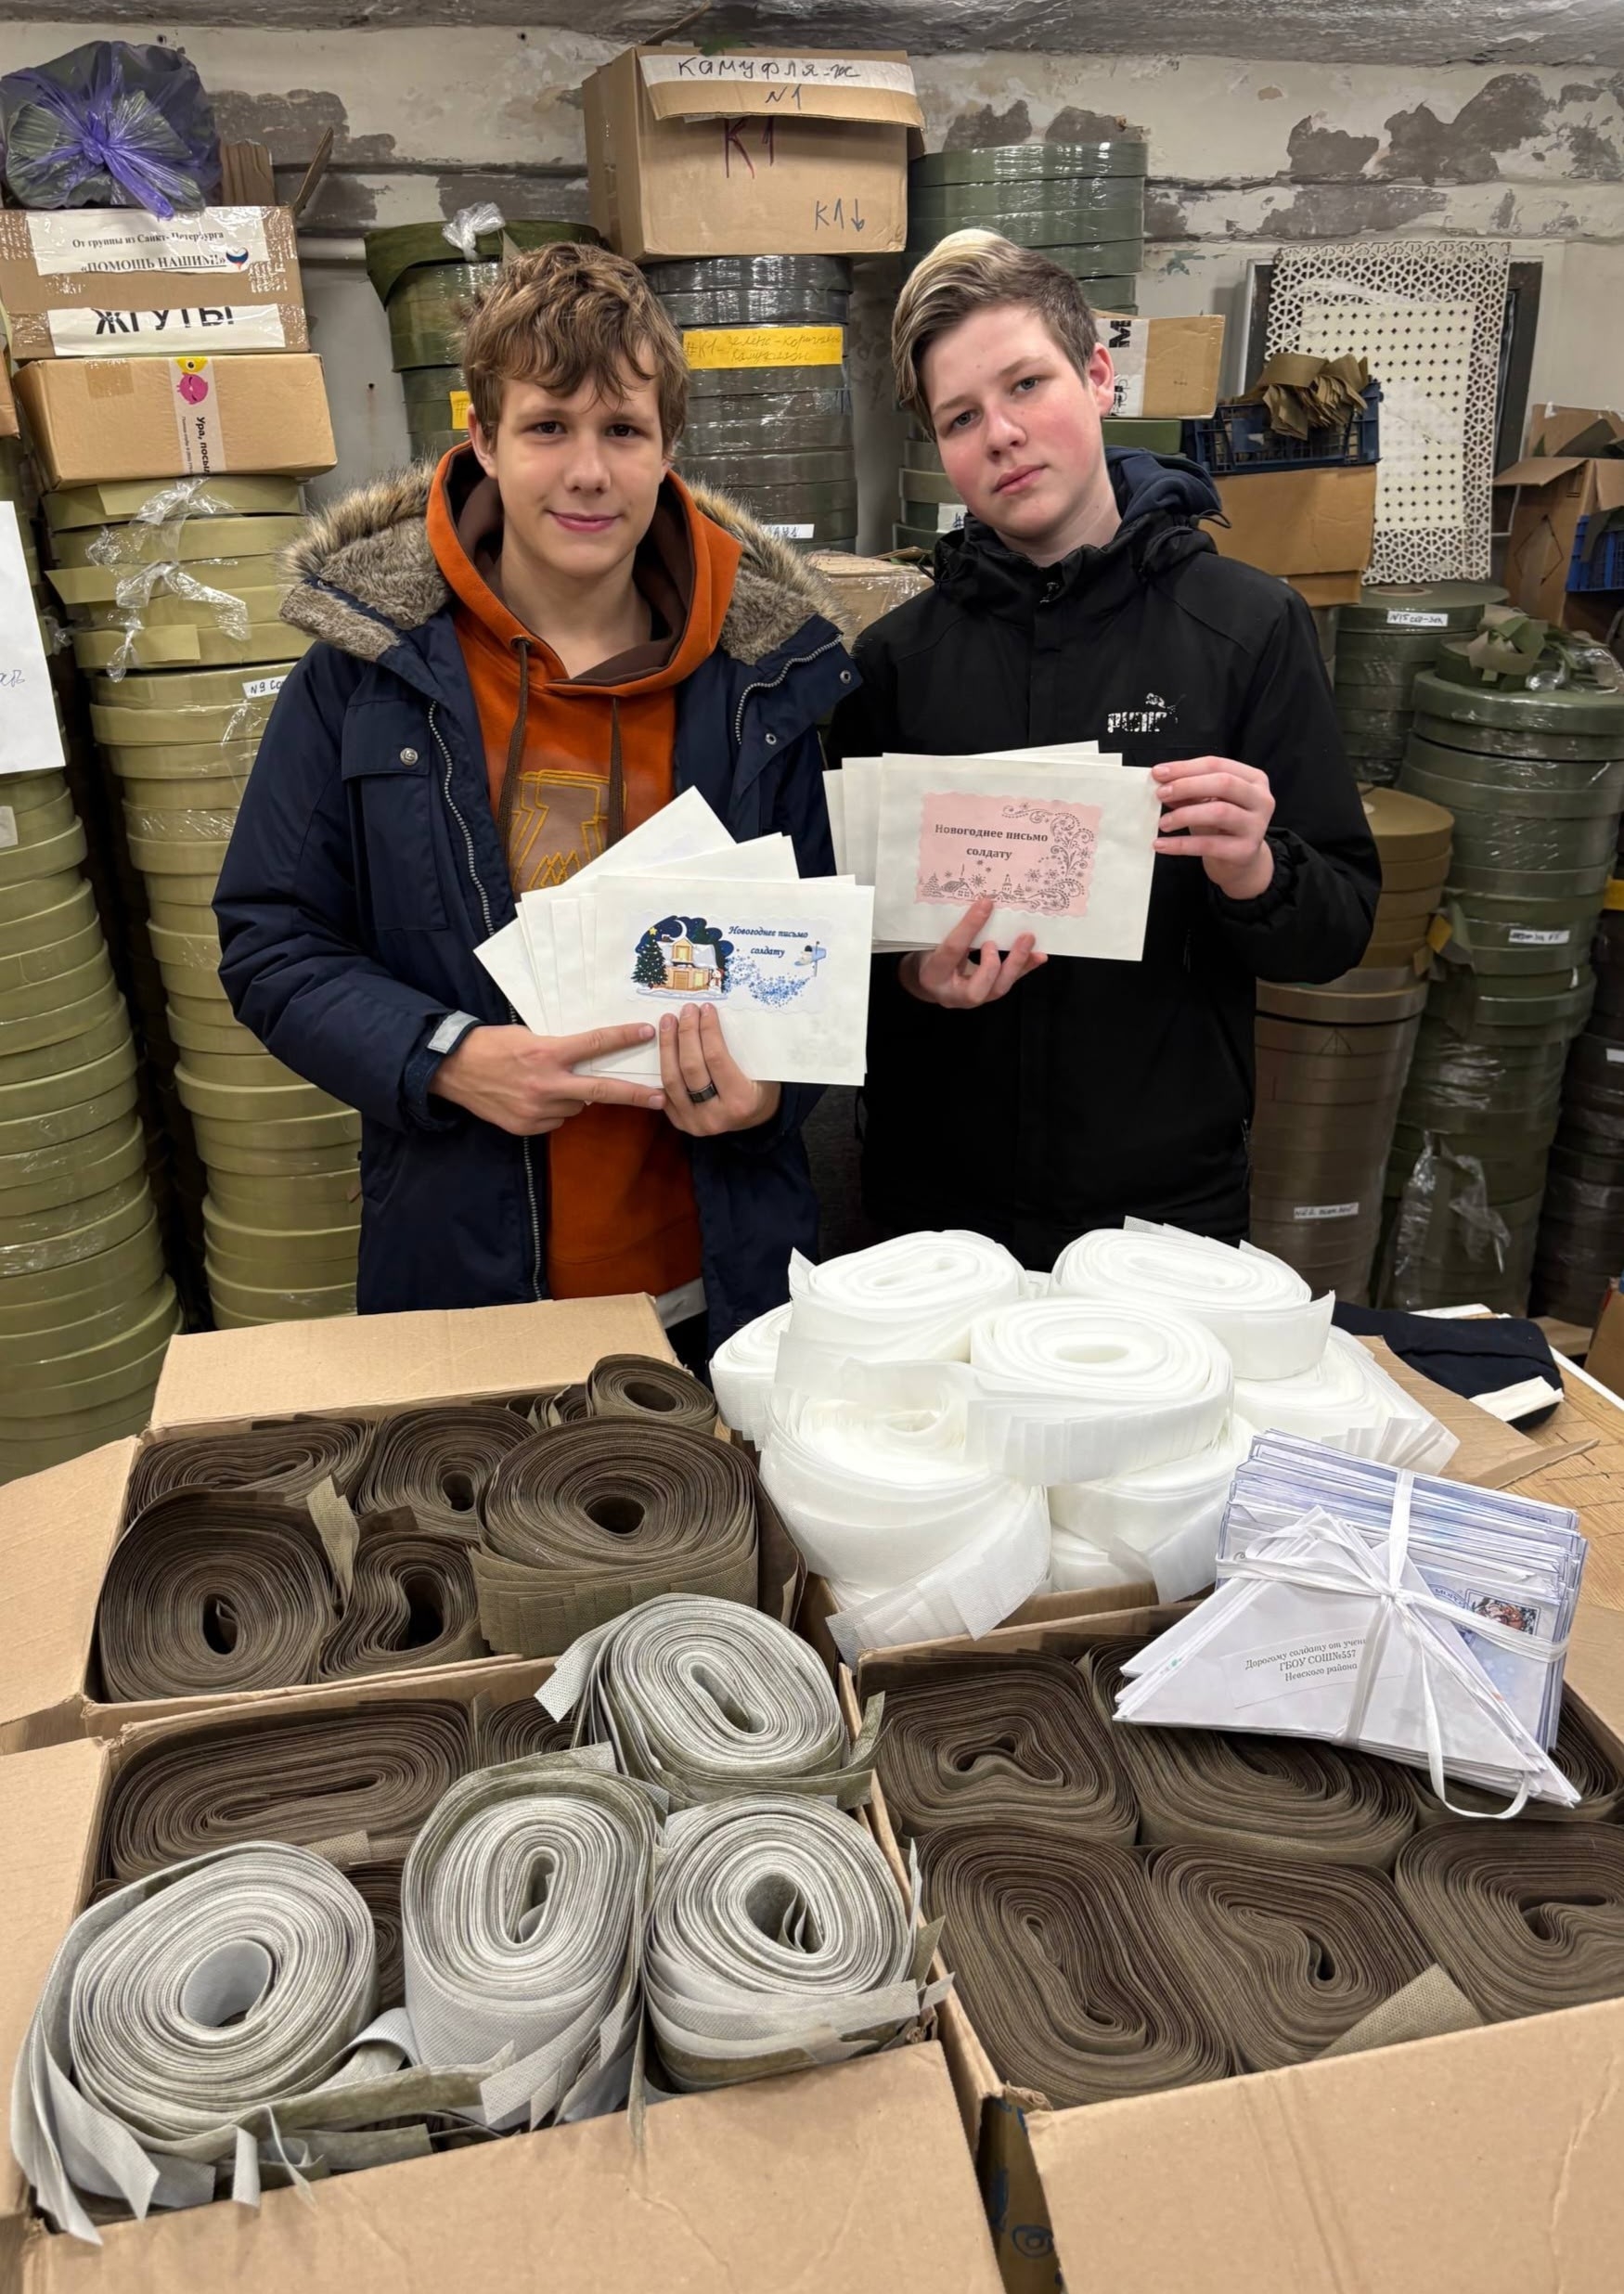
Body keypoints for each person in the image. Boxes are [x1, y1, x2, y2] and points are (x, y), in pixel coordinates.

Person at [214, 243, 853, 1345]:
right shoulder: (368, 675)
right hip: (466, 1283)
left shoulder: (765, 682)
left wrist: (770, 1098)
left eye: (624, 431)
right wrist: (443, 1056)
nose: (588, 472)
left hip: (711, 1284)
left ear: (668, 448)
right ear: (483, 438)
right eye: (549, 426)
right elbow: (271, 940)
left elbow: (816, 968)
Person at [829, 230, 1379, 1266]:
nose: (1001, 434)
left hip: (1164, 1210)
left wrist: (1255, 871)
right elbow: (840, 950)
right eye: (960, 417)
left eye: (1025, 385)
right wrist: (913, 983)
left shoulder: (1247, 627)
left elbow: (1336, 931)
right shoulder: (897, 664)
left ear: (1095, 376)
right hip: (936, 1207)